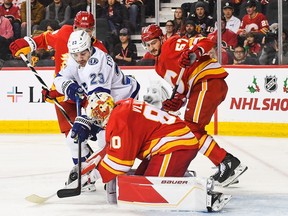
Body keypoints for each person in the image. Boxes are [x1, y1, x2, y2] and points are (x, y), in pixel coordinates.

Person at [69, 91, 231, 211]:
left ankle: (205, 195)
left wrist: (93, 176)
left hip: (173, 146)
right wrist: (86, 166)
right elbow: (109, 150)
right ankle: (186, 179)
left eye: (97, 116)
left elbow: (120, 164)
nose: (97, 122)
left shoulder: (119, 120)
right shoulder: (122, 108)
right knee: (140, 183)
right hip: (169, 145)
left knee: (151, 191)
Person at [141, 24, 248, 187]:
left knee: (191, 129)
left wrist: (195, 52)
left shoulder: (171, 44)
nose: (151, 47)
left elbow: (205, 41)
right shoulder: (158, 67)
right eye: (147, 45)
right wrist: (176, 101)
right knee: (192, 129)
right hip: (200, 86)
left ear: (162, 38)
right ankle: (227, 165)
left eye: (154, 42)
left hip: (207, 80)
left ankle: (227, 162)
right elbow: (182, 87)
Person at [9, 11, 108, 167]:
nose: (83, 34)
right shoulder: (64, 33)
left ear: (93, 30)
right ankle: (86, 173)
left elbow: (97, 86)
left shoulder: (99, 51)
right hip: (63, 96)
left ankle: (108, 169)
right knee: (73, 140)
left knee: (103, 135)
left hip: (88, 97)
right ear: (74, 26)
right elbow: (45, 38)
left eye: (88, 30)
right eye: (80, 29)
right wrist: (28, 43)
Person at [54, 30, 140, 166]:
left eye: (83, 54)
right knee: (74, 140)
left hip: (125, 101)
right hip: (107, 102)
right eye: (75, 55)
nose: (79, 58)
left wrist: (85, 124)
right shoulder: (76, 59)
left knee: (104, 139)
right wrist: (68, 86)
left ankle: (109, 176)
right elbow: (59, 79)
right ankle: (87, 175)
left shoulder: (96, 64)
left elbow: (101, 104)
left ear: (90, 48)